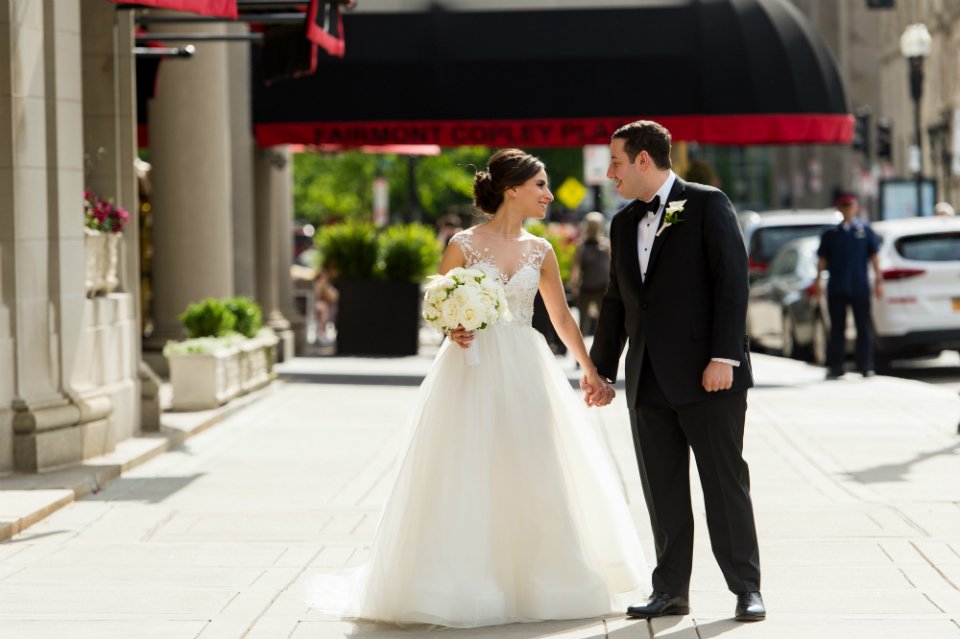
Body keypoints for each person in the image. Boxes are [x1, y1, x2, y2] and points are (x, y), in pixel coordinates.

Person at [306, 149, 648, 627]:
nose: (549, 195)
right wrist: (454, 328)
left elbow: (561, 317)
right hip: (470, 367)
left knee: (533, 464)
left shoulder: (542, 250)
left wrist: (589, 370)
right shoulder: (463, 244)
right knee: (466, 464)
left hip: (527, 367)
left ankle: (540, 581)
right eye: (541, 186)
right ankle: (458, 580)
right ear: (513, 190)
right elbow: (439, 303)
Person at [587, 121, 764, 622]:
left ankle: (746, 587)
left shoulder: (708, 203)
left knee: (724, 486)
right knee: (662, 491)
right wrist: (601, 371)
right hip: (648, 380)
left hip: (711, 378)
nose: (610, 172)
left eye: (617, 161)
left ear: (644, 160)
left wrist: (723, 358)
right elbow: (617, 301)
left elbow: (732, 284)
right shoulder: (622, 223)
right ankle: (670, 591)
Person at [813, 192, 882, 379]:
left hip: (859, 286)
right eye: (843, 205)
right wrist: (818, 280)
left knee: (863, 326)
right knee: (837, 327)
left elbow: (875, 257)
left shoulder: (865, 231)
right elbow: (822, 259)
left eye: (850, 205)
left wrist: (878, 280)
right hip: (837, 286)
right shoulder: (830, 233)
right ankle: (837, 365)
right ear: (839, 208)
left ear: (856, 207)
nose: (847, 209)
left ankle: (866, 364)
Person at [570, 212, 611, 336]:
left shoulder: (581, 245)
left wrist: (574, 285)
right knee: (603, 321)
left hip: (589, 287)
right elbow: (610, 267)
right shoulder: (605, 245)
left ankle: (580, 353)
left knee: (584, 322)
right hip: (600, 287)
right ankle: (602, 351)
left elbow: (575, 268)